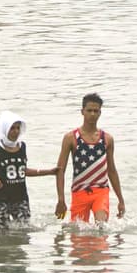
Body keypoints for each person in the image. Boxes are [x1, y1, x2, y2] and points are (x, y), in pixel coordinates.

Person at [55, 92, 125, 223]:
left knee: (101, 226)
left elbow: (112, 170)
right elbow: (60, 170)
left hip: (101, 191)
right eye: (89, 110)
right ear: (82, 111)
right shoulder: (71, 138)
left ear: (100, 113)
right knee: (78, 235)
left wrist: (121, 200)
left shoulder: (107, 139)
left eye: (96, 111)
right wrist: (61, 199)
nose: (92, 114)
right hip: (79, 192)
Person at [0, 112, 56, 227]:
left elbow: (23, 171)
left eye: (18, 128)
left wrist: (49, 172)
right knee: (1, 236)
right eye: (12, 128)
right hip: (1, 200)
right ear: (5, 129)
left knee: (23, 234)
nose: (16, 131)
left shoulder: (22, 147)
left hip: (21, 198)